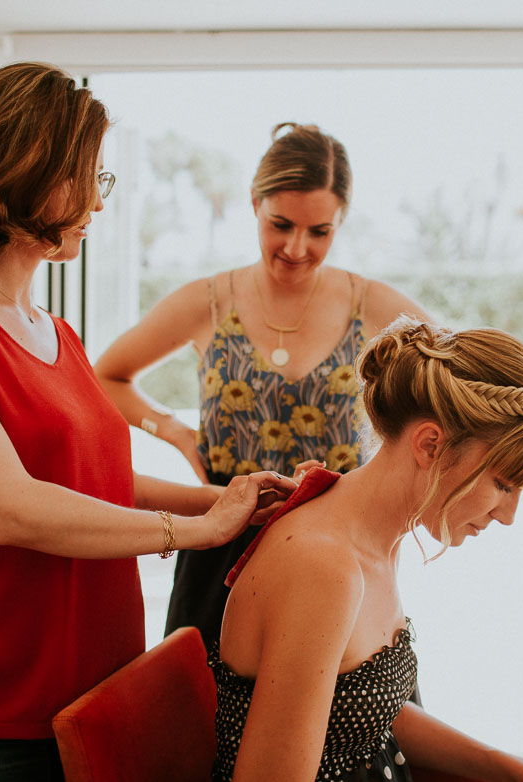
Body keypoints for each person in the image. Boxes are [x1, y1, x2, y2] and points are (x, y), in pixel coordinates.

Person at [0, 62, 294, 782]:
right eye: (87, 176)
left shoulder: (58, 335)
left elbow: (91, 481)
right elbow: (10, 508)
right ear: (28, 168)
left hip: (94, 701)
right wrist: (196, 532)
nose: (98, 203)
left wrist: (230, 501)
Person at [94, 122, 429, 648]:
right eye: (281, 224)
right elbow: (106, 376)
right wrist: (179, 433)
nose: (297, 247)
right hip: (220, 538)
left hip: (338, 546)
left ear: (340, 221)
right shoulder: (207, 301)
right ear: (254, 202)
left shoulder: (376, 307)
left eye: (320, 231)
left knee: (342, 719)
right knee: (202, 711)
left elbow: (455, 388)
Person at [210, 315, 523, 782]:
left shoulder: (376, 535)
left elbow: (358, 709)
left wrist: (510, 768)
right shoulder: (323, 568)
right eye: (503, 484)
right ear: (431, 445)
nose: (508, 515)